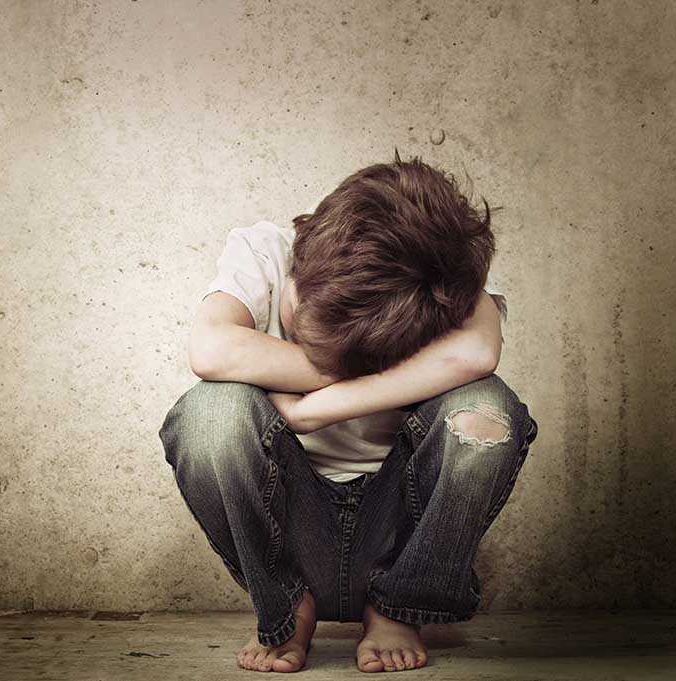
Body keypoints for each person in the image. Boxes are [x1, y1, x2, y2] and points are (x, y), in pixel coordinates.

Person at [158, 153, 539, 673]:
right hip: (286, 523)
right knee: (208, 416)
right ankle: (288, 608)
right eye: (309, 336)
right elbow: (210, 351)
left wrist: (319, 407)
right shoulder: (265, 252)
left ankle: (398, 610)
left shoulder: (436, 282)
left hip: (403, 526)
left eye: (352, 357)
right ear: (303, 257)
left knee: (487, 411)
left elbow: (476, 355)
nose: (327, 359)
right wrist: (377, 374)